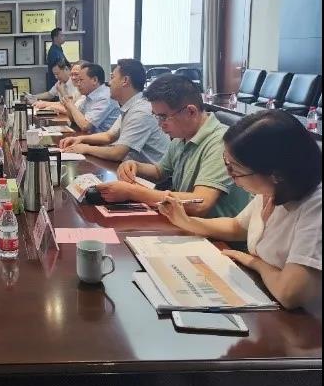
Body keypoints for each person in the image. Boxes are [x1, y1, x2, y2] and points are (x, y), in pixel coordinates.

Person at [159, 110, 321, 310]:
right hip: (264, 296)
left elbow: (289, 294)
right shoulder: (272, 189)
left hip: (304, 321)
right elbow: (238, 226)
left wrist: (256, 263)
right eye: (227, 163)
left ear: (276, 174)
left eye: (235, 169)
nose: (229, 175)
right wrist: (187, 222)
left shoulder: (316, 206)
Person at [95, 74, 250, 217]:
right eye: (156, 117)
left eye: (163, 117)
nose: (160, 124)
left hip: (213, 234)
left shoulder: (220, 142)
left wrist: (132, 192)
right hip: (185, 222)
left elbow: (200, 203)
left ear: (191, 112)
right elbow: (159, 172)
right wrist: (134, 165)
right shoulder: (182, 135)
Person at [60, 59, 170, 163]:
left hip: (151, 174)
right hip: (133, 167)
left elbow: (117, 153)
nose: (109, 83)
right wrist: (80, 139)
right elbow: (109, 136)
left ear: (125, 81)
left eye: (112, 78)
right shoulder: (131, 106)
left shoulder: (140, 111)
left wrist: (86, 148)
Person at [60, 61, 120, 133]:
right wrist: (68, 107)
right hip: (90, 136)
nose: (78, 84)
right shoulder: (88, 95)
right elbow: (74, 119)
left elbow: (85, 126)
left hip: (102, 139)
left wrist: (71, 106)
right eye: (78, 80)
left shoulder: (105, 97)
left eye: (81, 80)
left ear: (94, 80)